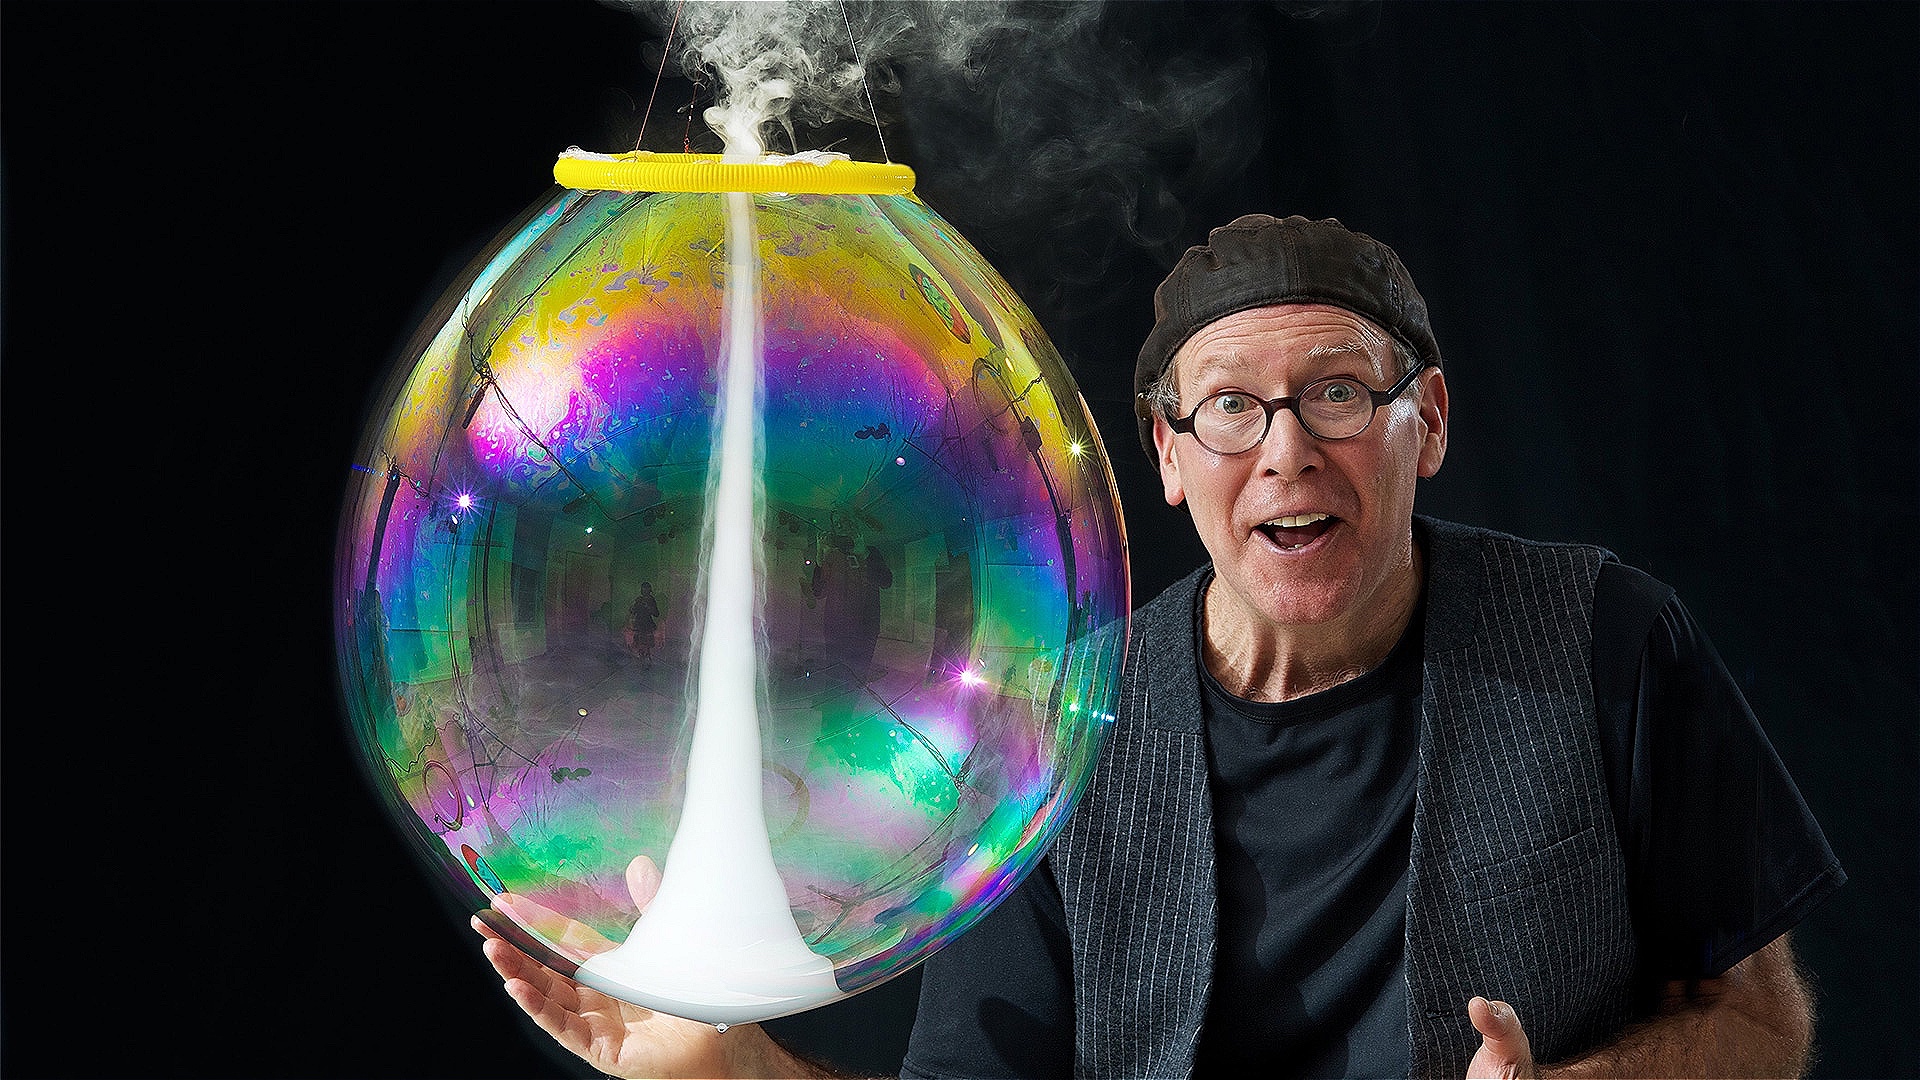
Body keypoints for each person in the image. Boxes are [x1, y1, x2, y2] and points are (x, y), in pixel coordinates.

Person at [474, 214, 1844, 1079]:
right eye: (1233, 409)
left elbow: (1762, 1025)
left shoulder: (1608, 638)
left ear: (1429, 418)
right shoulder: (1059, 729)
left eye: (1340, 394)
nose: (1289, 450)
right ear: (1169, 459)